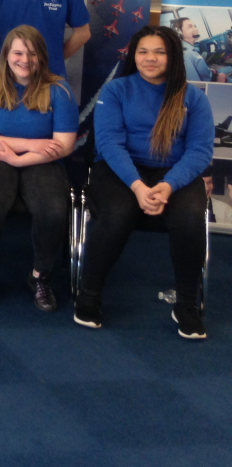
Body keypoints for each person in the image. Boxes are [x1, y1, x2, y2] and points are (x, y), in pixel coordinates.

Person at [75, 25, 215, 339]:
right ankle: (89, 296)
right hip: (119, 169)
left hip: (174, 171)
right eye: (142, 51)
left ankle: (186, 305)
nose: (149, 58)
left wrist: (168, 185)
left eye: (159, 52)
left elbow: (200, 150)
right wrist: (138, 186)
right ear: (134, 55)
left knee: (191, 217)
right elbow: (110, 144)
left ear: (173, 57)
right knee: (118, 213)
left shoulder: (194, 98)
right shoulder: (116, 90)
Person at [0, 25, 78, 311]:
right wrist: (32, 143)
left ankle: (40, 276)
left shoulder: (58, 90)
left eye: (32, 53)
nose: (24, 60)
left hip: (41, 161)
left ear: (42, 57)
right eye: (18, 52)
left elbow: (63, 145)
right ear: (6, 55)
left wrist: (19, 158)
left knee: (52, 210)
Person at [172, 16, 227, 83]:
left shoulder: (190, 49)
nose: (196, 29)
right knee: (223, 74)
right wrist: (221, 80)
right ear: (179, 32)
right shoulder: (185, 54)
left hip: (210, 78)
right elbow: (196, 87)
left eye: (194, 26)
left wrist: (209, 71)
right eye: (190, 27)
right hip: (211, 87)